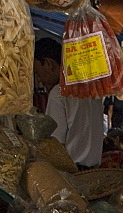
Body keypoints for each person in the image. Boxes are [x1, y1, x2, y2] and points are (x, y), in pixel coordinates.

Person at [33, 37, 104, 168]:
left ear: (49, 64)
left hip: (72, 172)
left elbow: (54, 144)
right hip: (94, 170)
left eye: (38, 72)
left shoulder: (58, 93)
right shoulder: (90, 88)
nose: (39, 79)